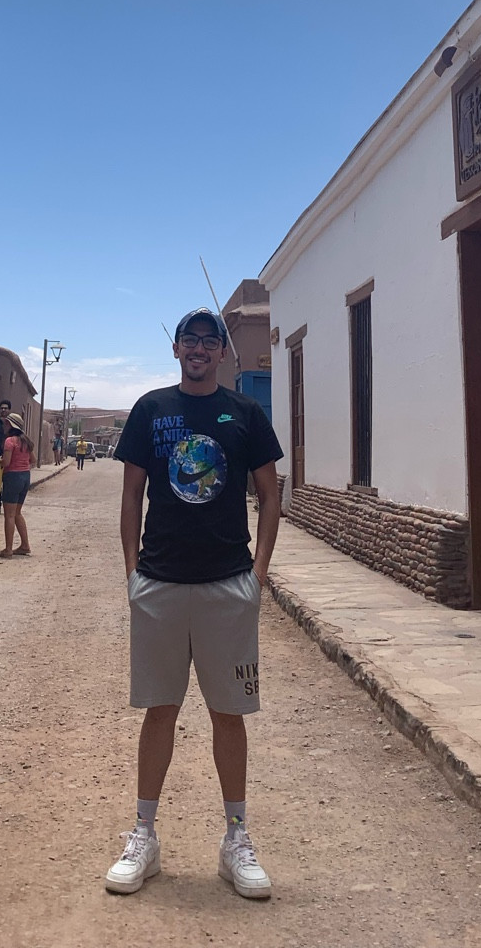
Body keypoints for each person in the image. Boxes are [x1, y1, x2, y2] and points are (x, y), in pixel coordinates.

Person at [105, 308, 282, 901]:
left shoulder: (246, 413)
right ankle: (144, 834)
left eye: (210, 341)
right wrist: (132, 573)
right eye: (191, 340)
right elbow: (131, 495)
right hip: (159, 583)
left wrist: (258, 574)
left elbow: (270, 495)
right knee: (160, 710)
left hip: (227, 584)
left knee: (228, 714)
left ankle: (236, 838)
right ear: (177, 348)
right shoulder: (151, 410)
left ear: (222, 352)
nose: (200, 349)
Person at [0, 412, 34, 558]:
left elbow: (6, 462)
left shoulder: (9, 441)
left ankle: (8, 549)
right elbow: (33, 459)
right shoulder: (26, 441)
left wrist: (0, 460)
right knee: (17, 513)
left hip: (12, 477)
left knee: (9, 515)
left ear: (9, 425)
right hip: (25, 476)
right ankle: (25, 545)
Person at [0, 400, 15, 514]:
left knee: (8, 481)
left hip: (10, 457)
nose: (3, 410)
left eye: (6, 408)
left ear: (9, 410)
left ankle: (7, 505)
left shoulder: (12, 426)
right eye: (2, 408)